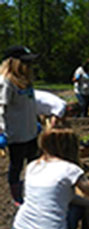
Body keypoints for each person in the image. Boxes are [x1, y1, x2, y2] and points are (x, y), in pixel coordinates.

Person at [0, 45, 40, 205]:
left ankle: (32, 190)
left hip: (30, 131)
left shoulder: (25, 81)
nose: (29, 66)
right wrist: (1, 132)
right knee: (16, 165)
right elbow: (1, 108)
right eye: (25, 63)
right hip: (16, 134)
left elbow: (29, 105)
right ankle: (17, 195)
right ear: (14, 63)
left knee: (33, 163)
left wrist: (35, 122)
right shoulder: (6, 83)